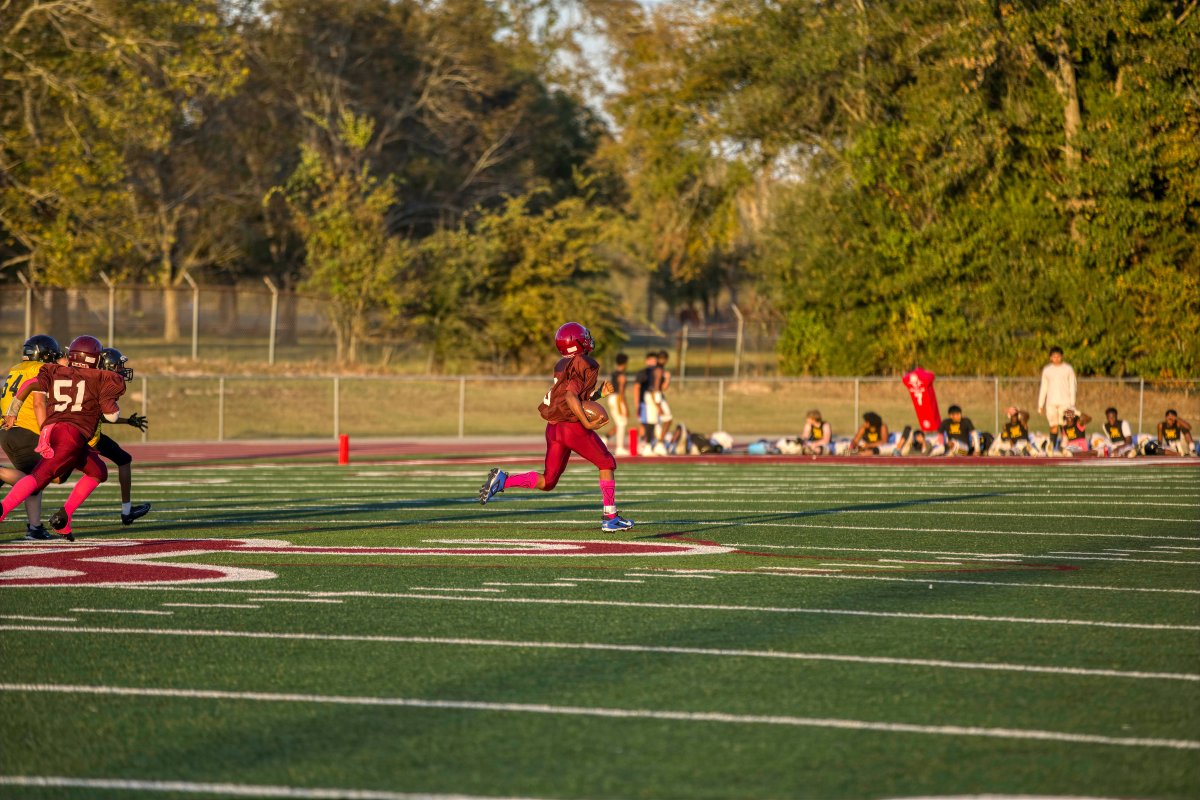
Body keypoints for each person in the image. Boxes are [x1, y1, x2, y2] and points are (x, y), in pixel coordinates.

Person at [478, 322, 634, 532]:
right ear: (577, 342)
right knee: (606, 463)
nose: (588, 338)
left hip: (553, 428)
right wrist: (587, 422)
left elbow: (573, 398)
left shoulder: (562, 364)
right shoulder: (583, 362)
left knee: (548, 481)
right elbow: (570, 396)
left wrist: (599, 394)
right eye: (584, 336)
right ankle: (611, 517)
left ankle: (504, 481)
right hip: (571, 427)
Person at [0, 335, 126, 540]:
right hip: (69, 436)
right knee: (38, 478)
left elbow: (29, 385)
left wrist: (13, 411)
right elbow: (112, 415)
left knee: (98, 471)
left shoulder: (55, 371)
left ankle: (64, 517)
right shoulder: (99, 378)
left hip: (61, 431)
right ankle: (4, 509)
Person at [0, 334, 62, 539]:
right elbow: (38, 403)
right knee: (37, 480)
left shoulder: (16, 368)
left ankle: (35, 528)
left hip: (8, 430)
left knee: (34, 483)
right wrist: (45, 432)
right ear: (45, 355)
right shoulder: (40, 369)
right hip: (26, 431)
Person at [1037, 346, 1077, 454]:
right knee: (1053, 425)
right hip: (1051, 403)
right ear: (1050, 358)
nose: (1056, 359)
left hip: (1065, 402)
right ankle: (1052, 448)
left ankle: (1064, 446)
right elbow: (1043, 387)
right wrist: (1040, 404)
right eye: (1054, 357)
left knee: (1065, 425)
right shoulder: (1047, 370)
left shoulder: (1068, 369)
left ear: (1062, 356)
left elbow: (1072, 386)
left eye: (1058, 356)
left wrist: (1072, 404)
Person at [635, 351, 665, 455]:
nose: (653, 362)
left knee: (654, 422)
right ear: (646, 361)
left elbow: (660, 388)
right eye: (651, 360)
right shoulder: (644, 373)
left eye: (654, 360)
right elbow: (637, 388)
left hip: (653, 398)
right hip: (645, 401)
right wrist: (637, 404)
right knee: (646, 423)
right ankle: (644, 445)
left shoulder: (657, 371)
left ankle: (651, 444)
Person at [605, 353, 630, 456]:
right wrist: (626, 407)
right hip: (618, 399)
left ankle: (605, 439)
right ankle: (620, 448)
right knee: (622, 423)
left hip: (612, 398)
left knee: (619, 423)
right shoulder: (622, 376)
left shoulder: (614, 373)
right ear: (625, 363)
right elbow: (621, 393)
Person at [655, 350, 674, 451]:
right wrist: (657, 403)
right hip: (657, 396)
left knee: (657, 422)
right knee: (667, 419)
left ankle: (657, 443)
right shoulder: (659, 370)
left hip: (657, 396)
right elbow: (657, 387)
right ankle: (659, 443)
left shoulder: (658, 369)